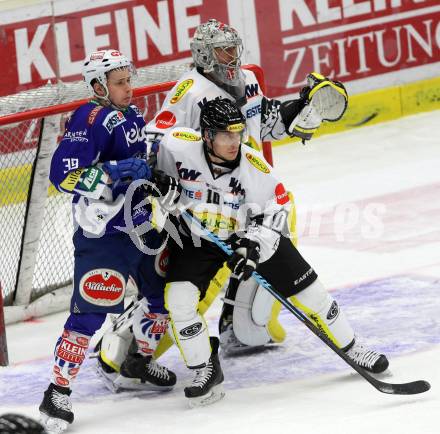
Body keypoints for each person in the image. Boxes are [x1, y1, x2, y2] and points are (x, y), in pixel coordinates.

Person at [97, 17, 349, 379]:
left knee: (275, 232)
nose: (230, 57)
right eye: (222, 51)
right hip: (196, 200)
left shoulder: (246, 79)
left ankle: (242, 325)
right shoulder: (189, 90)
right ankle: (125, 351)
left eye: (233, 49)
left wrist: (300, 108)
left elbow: (264, 123)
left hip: (236, 191)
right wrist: (160, 176)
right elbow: (157, 138)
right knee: (191, 291)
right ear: (204, 54)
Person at [156, 98, 388, 407]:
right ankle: (204, 368)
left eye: (238, 133)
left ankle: (352, 346)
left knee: (311, 294)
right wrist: (157, 182)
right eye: (226, 135)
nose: (234, 142)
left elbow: (278, 210)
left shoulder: (255, 169)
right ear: (207, 136)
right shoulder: (177, 146)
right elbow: (150, 155)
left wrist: (252, 247)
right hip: (200, 239)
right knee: (179, 300)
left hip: (249, 236)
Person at [38, 49, 176, 433]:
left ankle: (137, 363)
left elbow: (140, 158)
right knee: (90, 315)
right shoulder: (90, 118)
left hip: (142, 223)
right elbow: (61, 176)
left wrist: (153, 172)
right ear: (99, 86)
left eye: (128, 80)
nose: (128, 88)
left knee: (161, 294)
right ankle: (57, 391)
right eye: (119, 82)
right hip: (105, 235)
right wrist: (114, 172)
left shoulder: (129, 114)